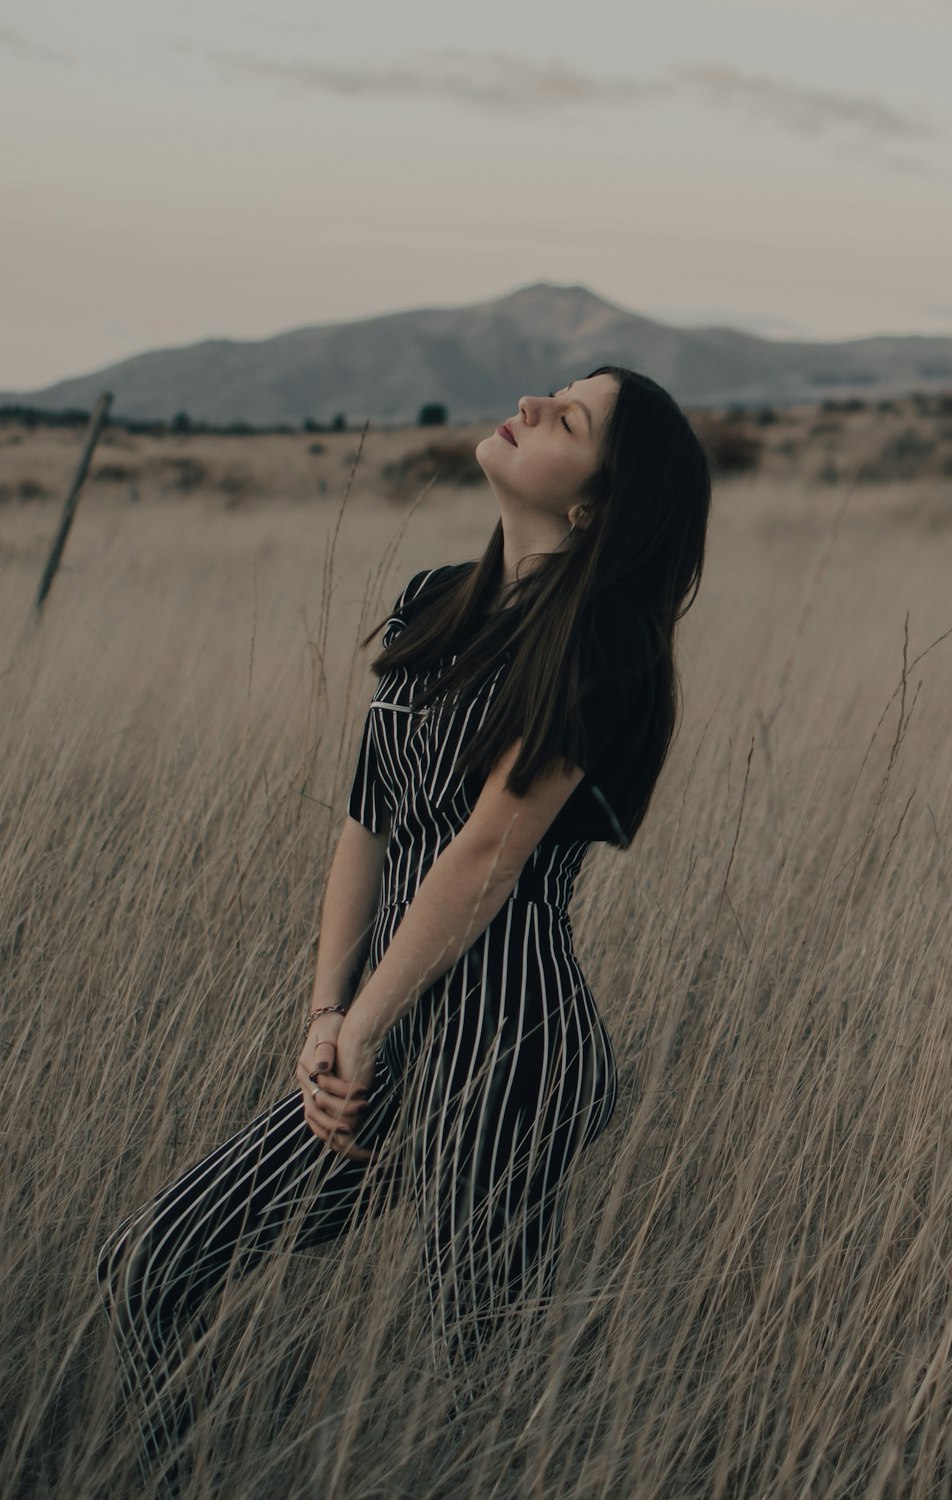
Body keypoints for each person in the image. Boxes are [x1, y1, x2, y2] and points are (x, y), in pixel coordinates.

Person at [95, 365, 712, 1490]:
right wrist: (327, 1016)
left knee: (484, 1391)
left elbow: (486, 855)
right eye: (550, 395)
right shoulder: (433, 601)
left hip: (509, 1049)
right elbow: (365, 823)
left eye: (565, 420)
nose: (528, 408)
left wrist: (368, 1023)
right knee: (149, 1263)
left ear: (594, 506)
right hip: (381, 1030)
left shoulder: (601, 643)